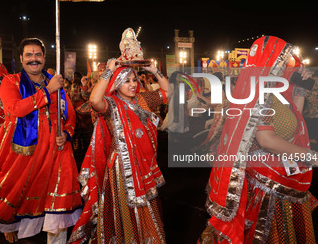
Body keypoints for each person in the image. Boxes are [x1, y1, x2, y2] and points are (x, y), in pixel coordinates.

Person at [198, 36, 317, 243]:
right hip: (268, 187)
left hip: (283, 176)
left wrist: (301, 86)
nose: (293, 64)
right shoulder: (261, 95)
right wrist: (311, 156)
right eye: (287, 61)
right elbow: (267, 140)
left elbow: (292, 119)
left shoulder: (276, 93)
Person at [0, 38, 82, 243]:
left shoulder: (55, 80)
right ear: (21, 59)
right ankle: (12, 229)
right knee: (18, 197)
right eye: (28, 55)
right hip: (24, 150)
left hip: (58, 150)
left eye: (38, 55)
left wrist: (67, 134)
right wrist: (47, 91)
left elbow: (70, 115)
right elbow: (15, 109)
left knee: (58, 207)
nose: (33, 59)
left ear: (44, 58)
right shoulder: (12, 81)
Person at [68, 59, 169, 244]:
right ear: (116, 83)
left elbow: (168, 93)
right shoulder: (112, 104)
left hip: (144, 163)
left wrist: (155, 70)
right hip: (122, 166)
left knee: (147, 204)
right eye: (126, 80)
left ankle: (147, 238)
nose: (132, 84)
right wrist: (108, 71)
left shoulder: (142, 99)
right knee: (125, 206)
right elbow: (94, 100)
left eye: (134, 80)